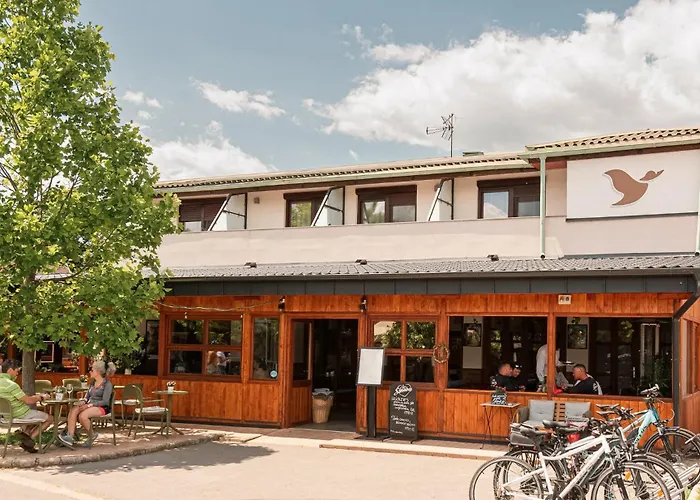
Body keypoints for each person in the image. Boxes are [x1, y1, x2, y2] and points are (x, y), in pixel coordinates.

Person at [58, 360, 116, 448]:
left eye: (92, 370)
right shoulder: (93, 382)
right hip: (90, 405)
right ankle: (70, 437)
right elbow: (87, 396)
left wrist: (89, 405)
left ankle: (92, 435)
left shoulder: (107, 384)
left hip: (102, 407)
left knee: (82, 416)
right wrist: (83, 401)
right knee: (74, 410)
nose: (90, 372)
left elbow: (105, 401)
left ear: (98, 371)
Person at [0, 359, 52, 453]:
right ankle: (29, 440)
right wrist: (41, 397)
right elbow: (28, 400)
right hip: (20, 414)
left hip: (5, 416)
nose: (17, 374)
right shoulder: (11, 385)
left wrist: (35, 397)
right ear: (10, 370)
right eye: (16, 371)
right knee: (50, 418)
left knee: (35, 420)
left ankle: (25, 435)